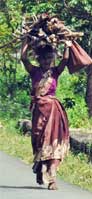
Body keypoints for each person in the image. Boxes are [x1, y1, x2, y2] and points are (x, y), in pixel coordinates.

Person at [21, 40, 72, 190]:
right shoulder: (34, 71)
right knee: (39, 139)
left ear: (52, 59)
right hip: (39, 111)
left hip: (53, 111)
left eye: (49, 58)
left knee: (53, 141)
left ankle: (52, 177)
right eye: (43, 59)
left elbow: (66, 59)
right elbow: (23, 58)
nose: (46, 61)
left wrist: (67, 46)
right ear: (39, 59)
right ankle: (39, 166)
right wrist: (25, 41)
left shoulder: (56, 71)